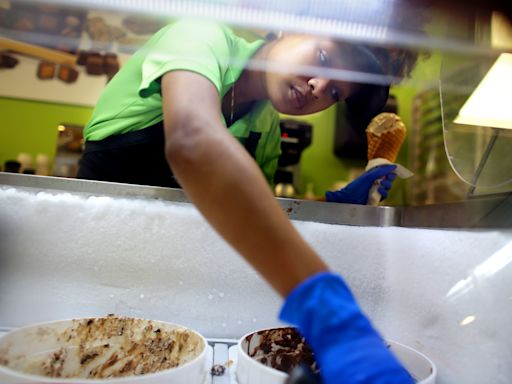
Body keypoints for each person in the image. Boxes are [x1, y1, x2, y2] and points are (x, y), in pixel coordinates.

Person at [78, 18, 421, 383]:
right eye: (323, 57)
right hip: (92, 271)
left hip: (177, 292)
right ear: (291, 27)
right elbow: (192, 141)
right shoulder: (200, 36)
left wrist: (330, 210)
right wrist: (332, 318)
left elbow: (250, 225)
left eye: (336, 93)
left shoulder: (267, 128)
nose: (319, 86)